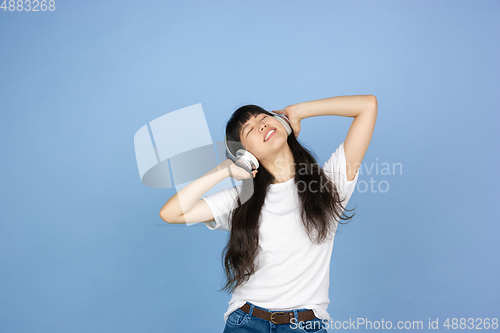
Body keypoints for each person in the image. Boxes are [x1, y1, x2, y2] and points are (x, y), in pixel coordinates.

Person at [160, 95, 378, 333]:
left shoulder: (328, 184)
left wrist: (297, 111)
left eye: (264, 118)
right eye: (249, 129)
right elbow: (170, 213)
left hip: (305, 325)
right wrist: (223, 171)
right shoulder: (240, 200)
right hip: (246, 322)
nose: (261, 125)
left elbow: (367, 106)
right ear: (244, 153)